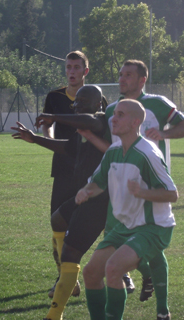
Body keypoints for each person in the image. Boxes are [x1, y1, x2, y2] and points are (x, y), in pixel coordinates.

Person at [77, 60, 184, 319]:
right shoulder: (115, 150)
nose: (112, 118)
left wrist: (142, 192)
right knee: (91, 273)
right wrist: (87, 190)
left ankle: (161, 308)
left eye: (119, 115)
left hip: (153, 222)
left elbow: (173, 194)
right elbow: (99, 179)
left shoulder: (149, 148)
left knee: (115, 268)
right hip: (124, 220)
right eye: (120, 74)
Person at [12, 85, 110, 320]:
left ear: (98, 104)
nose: (78, 106)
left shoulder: (101, 122)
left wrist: (53, 116)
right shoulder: (83, 130)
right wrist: (35, 139)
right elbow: (66, 147)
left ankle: (54, 315)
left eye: (84, 102)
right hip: (84, 195)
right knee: (57, 219)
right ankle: (70, 281)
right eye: (76, 102)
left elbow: (88, 118)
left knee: (70, 255)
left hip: (99, 200)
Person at [40, 51, 115, 298]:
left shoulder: (98, 99)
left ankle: (120, 269)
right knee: (57, 221)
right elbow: (48, 126)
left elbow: (93, 122)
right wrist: (46, 137)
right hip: (64, 164)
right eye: (68, 67)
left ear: (85, 71)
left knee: (98, 221)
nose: (71, 71)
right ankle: (64, 277)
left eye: (76, 67)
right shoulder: (55, 96)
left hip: (91, 169)